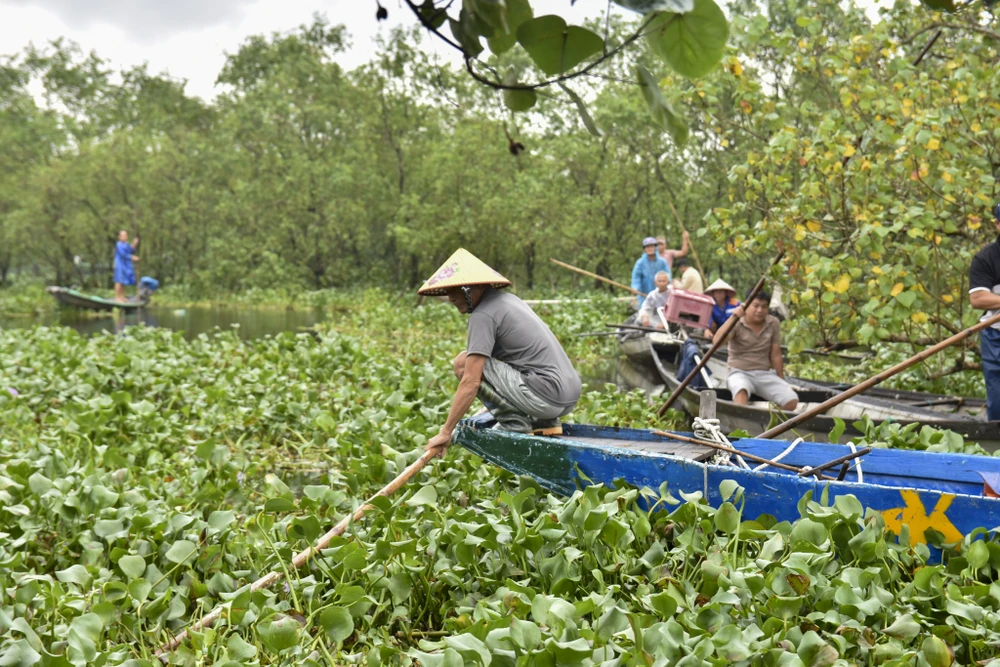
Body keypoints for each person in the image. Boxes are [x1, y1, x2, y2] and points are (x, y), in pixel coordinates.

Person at [421, 249, 583, 458]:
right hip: (568, 396)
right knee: (499, 360)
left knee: (463, 363)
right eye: (448, 291)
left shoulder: (483, 315)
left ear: (474, 287)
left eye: (456, 290)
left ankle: (514, 423)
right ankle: (544, 423)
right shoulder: (510, 300)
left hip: (546, 398)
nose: (451, 297)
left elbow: (471, 381)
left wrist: (446, 432)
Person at [726, 290, 798, 411]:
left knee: (791, 400)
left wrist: (782, 382)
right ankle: (740, 425)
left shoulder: (773, 322)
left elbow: (776, 355)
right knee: (741, 391)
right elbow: (717, 341)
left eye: (764, 307)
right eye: (756, 306)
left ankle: (772, 424)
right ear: (747, 306)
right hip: (738, 372)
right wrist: (733, 317)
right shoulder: (737, 322)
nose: (760, 310)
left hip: (763, 374)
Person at [968, 202, 1000, 421]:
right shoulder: (986, 258)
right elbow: (978, 298)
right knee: (998, 399)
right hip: (995, 336)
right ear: (998, 225)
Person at [631, 237, 669, 308]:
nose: (649, 249)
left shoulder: (662, 262)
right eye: (647, 247)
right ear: (644, 249)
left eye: (651, 246)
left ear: (655, 248)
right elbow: (636, 278)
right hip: (645, 295)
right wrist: (635, 287)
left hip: (661, 296)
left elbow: (668, 276)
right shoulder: (640, 263)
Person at [113, 230, 139, 302]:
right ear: (119, 237)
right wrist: (132, 257)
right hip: (119, 264)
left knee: (123, 281)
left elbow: (130, 250)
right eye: (123, 236)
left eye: (125, 235)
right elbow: (123, 254)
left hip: (125, 265)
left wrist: (134, 244)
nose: (124, 237)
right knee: (119, 280)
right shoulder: (118, 244)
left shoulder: (126, 244)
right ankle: (117, 297)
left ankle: (122, 297)